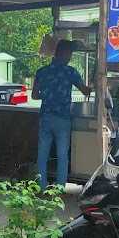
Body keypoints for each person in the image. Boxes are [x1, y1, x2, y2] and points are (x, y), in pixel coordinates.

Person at [32, 40, 91, 190]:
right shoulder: (70, 72)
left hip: (45, 117)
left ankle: (42, 186)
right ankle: (59, 189)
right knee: (62, 155)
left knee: (42, 155)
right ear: (63, 53)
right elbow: (85, 91)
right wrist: (95, 82)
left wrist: (48, 95)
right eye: (69, 53)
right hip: (62, 119)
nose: (70, 57)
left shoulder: (42, 71)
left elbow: (34, 95)